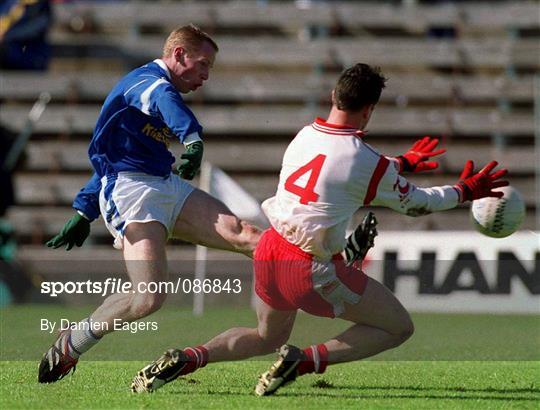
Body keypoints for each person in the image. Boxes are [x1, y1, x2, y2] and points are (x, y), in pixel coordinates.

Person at [130, 63, 508, 394]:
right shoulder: (366, 161)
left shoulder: (306, 134)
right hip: (307, 269)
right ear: (369, 110)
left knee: (266, 337)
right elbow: (417, 204)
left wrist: (400, 163)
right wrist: (464, 191)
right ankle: (305, 361)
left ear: (333, 95)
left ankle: (191, 357)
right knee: (398, 327)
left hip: (269, 250)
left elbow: (339, 167)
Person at [38, 24, 264, 384]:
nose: (206, 75)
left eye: (210, 67)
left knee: (248, 235)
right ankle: (71, 343)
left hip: (163, 184)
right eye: (202, 63)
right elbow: (162, 102)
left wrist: (84, 210)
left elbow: (115, 154)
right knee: (149, 297)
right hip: (133, 195)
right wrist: (192, 138)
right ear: (178, 54)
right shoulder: (147, 83)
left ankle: (319, 274)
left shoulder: (148, 92)